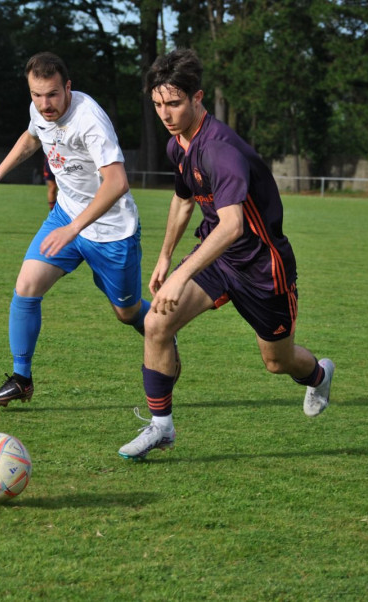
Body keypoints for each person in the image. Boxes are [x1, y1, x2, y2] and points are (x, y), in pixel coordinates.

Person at [118, 48, 334, 460]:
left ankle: (319, 374)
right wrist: (166, 258)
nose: (166, 114)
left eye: (175, 103)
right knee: (156, 325)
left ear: (198, 98)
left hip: (262, 268)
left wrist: (180, 277)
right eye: (159, 104)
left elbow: (233, 226)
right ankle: (161, 427)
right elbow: (184, 201)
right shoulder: (177, 145)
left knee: (277, 361)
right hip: (218, 258)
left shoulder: (219, 150)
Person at [0, 51, 150, 407]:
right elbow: (32, 136)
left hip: (111, 230)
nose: (44, 104)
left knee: (126, 313)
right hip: (66, 216)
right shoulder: (39, 109)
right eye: (36, 95)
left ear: (68, 87)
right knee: (26, 286)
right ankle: (22, 379)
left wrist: (75, 229)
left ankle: (161, 331)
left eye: (52, 94)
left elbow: (117, 183)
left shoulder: (89, 120)